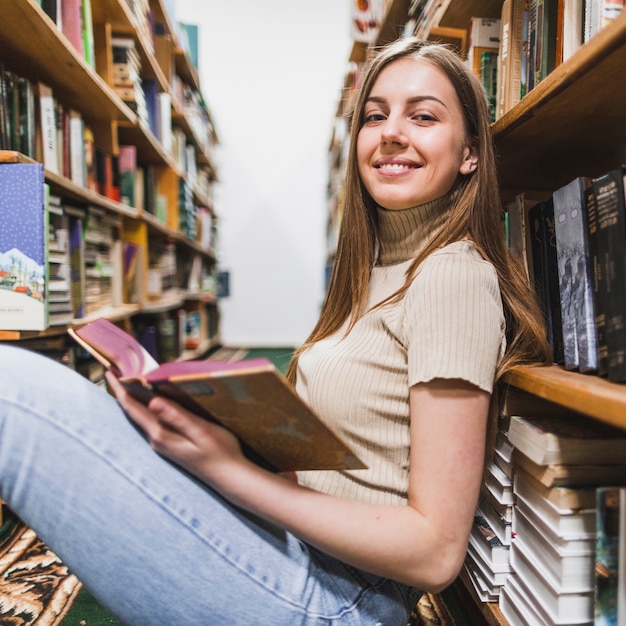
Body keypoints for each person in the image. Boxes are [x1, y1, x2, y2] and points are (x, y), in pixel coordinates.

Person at [0, 37, 551, 625]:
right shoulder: (377, 272)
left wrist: (228, 472)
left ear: (470, 153)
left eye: (422, 115)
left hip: (338, 601)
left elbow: (435, 551)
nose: (391, 131)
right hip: (306, 556)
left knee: (14, 392)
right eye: (375, 114)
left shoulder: (452, 276)